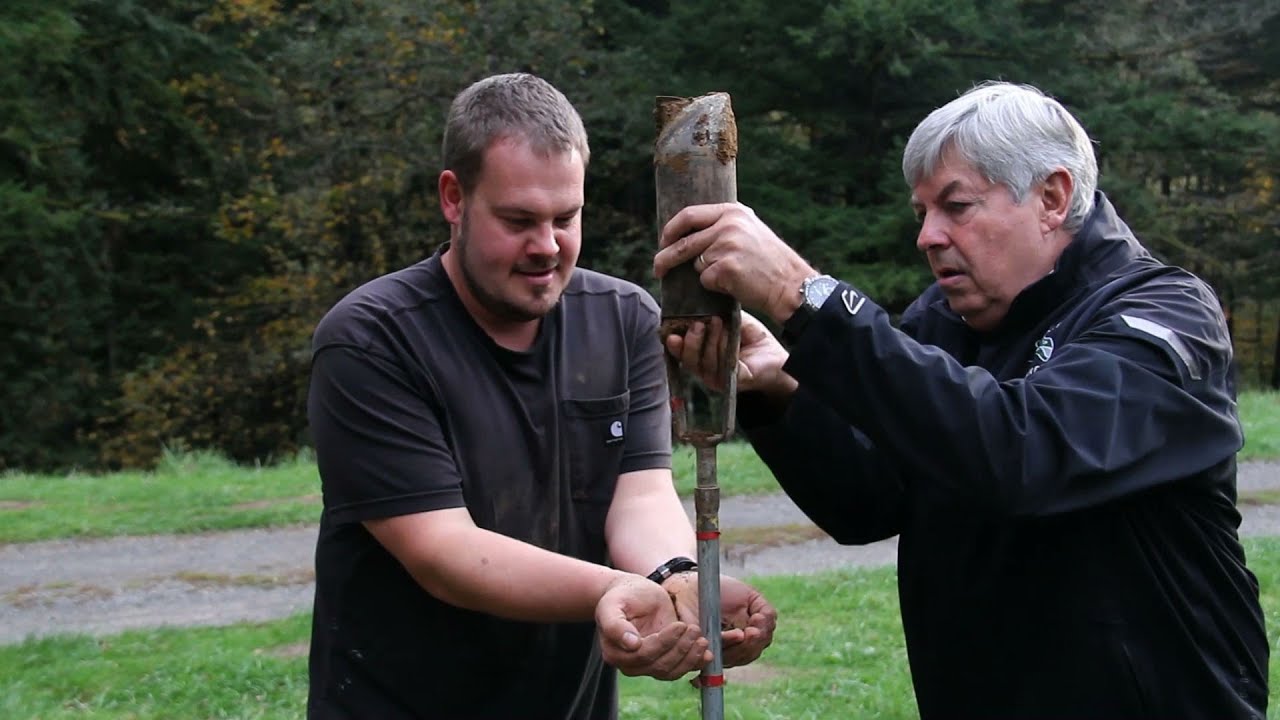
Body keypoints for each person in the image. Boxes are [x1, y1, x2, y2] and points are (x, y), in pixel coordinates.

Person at [654, 81, 1267, 718]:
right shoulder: (947, 321)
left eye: (957, 206)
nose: (928, 235)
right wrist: (778, 392)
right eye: (922, 211)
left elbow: (1022, 455)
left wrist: (804, 296)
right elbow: (869, 496)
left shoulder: (1162, 317)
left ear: (1052, 198)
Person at [306, 72, 775, 719]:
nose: (548, 247)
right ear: (454, 197)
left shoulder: (624, 318)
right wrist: (616, 589)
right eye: (519, 221)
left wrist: (677, 580)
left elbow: (638, 493)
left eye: (566, 217)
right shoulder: (371, 340)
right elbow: (446, 554)